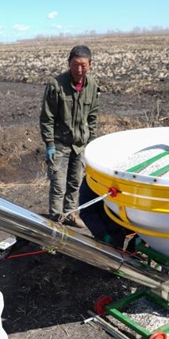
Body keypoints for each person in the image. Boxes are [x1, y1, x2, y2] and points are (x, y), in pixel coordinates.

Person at [39, 45, 100, 228]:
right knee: (58, 185)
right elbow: (47, 117)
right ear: (69, 63)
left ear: (90, 65)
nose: (79, 69)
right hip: (59, 145)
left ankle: (71, 214)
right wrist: (49, 143)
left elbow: (93, 117)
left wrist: (91, 143)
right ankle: (57, 221)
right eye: (75, 65)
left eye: (83, 65)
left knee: (75, 183)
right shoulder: (56, 85)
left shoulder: (92, 86)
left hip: (80, 145)